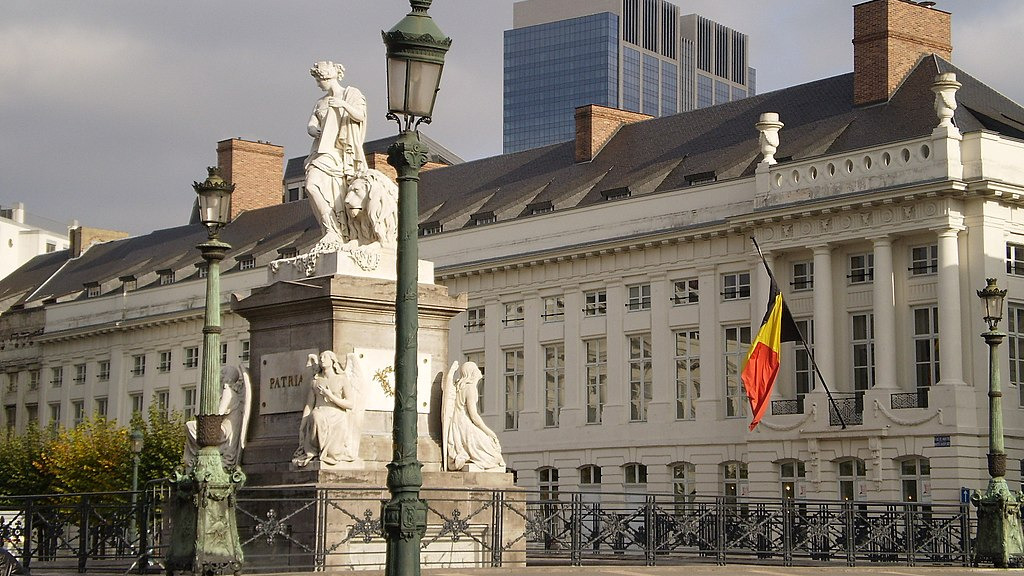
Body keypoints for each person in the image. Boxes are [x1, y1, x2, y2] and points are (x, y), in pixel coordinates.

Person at [304, 60, 368, 248]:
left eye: (319, 80)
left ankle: (337, 230)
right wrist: (312, 129)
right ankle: (330, 228)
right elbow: (312, 123)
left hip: (340, 152)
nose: (318, 84)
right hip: (321, 150)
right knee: (312, 185)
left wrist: (343, 105)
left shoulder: (351, 93)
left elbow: (360, 116)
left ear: (328, 77)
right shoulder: (320, 102)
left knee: (328, 190)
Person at [292, 350, 365, 467]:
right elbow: (309, 405)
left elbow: (350, 404)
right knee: (315, 416)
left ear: (332, 360)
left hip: (337, 415)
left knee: (333, 453)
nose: (322, 359)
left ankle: (330, 452)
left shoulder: (342, 379)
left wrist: (330, 396)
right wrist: (303, 422)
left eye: (325, 357)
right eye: (320, 357)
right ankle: (314, 450)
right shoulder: (315, 381)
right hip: (319, 411)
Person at [442, 361, 506, 472]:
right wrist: (489, 432)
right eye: (476, 368)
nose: (479, 371)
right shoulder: (470, 388)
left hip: (456, 424)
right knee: (494, 455)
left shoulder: (458, 387)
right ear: (471, 372)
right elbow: (474, 416)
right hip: (465, 425)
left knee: (489, 450)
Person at [183, 365, 251, 469]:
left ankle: (196, 458)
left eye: (222, 374)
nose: (220, 376)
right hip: (226, 431)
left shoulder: (228, 392)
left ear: (227, 377)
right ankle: (196, 458)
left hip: (224, 432)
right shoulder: (233, 393)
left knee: (190, 426)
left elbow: (218, 413)